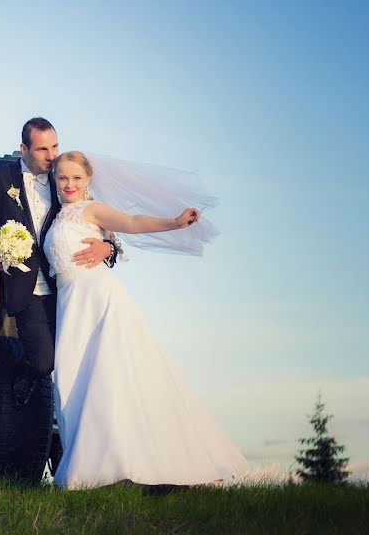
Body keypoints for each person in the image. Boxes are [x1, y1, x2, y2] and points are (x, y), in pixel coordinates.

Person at [43, 151, 248, 488]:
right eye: (63, 177)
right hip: (70, 303)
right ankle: (96, 462)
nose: (69, 184)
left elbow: (132, 223)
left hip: (97, 298)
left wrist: (175, 222)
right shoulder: (56, 216)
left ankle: (111, 468)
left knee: (108, 377)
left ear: (88, 180)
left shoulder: (91, 210)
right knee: (72, 380)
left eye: (76, 178)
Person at [0, 118, 118, 406]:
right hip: (27, 290)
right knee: (44, 362)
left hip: (72, 287)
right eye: (43, 149)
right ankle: (23, 376)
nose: (52, 155)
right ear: (23, 149)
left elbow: (99, 222)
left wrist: (107, 248)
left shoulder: (65, 179)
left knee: (83, 361)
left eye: (55, 146)